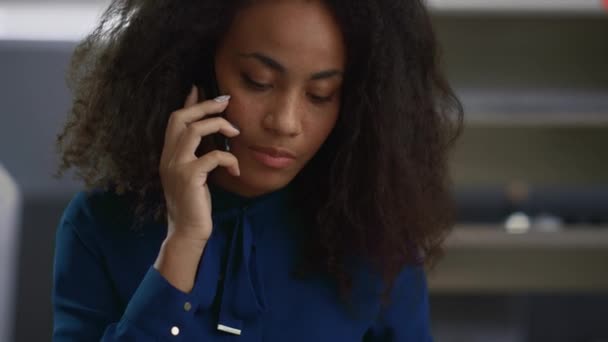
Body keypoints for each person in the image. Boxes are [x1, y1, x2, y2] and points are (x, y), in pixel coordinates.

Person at [52, 0, 463, 340]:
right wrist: (182, 246)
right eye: (258, 81)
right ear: (196, 64)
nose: (286, 122)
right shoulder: (99, 226)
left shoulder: (377, 242)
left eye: (321, 95)